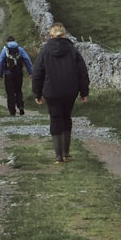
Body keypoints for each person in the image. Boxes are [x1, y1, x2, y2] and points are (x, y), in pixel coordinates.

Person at [32, 22, 90, 164]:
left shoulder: (45, 51)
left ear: (51, 35)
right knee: (66, 117)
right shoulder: (73, 50)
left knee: (55, 119)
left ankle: (58, 156)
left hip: (51, 92)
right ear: (64, 34)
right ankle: (66, 153)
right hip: (70, 91)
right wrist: (84, 92)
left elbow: (38, 74)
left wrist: (37, 93)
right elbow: (82, 73)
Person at [0, 35, 34, 116]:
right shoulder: (20, 49)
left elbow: (0, 62)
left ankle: (12, 111)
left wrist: (0, 74)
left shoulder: (5, 50)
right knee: (18, 90)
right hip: (18, 73)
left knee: (10, 92)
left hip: (8, 73)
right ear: (15, 40)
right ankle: (21, 107)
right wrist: (31, 72)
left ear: (7, 41)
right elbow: (27, 60)